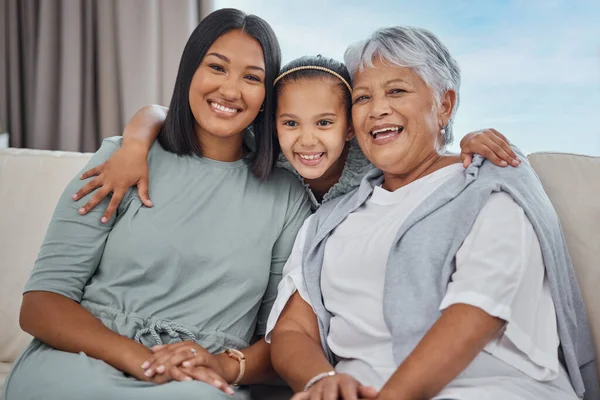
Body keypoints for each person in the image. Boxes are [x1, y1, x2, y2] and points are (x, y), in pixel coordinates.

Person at [267, 26, 599, 400]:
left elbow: (478, 308)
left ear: (444, 105)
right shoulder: (325, 223)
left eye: (397, 91)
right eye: (363, 97)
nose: (378, 109)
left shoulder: (489, 180)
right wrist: (320, 383)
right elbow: (293, 330)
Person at [2, 8, 312, 400]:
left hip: (196, 379)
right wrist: (140, 360)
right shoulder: (124, 160)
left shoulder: (286, 196)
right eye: (217, 67)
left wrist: (224, 365)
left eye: (252, 77)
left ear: (268, 95)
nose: (231, 90)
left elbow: (283, 338)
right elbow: (41, 304)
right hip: (82, 359)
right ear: (188, 72)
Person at [71, 56, 517, 218]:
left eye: (324, 123)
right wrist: (132, 146)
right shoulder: (265, 152)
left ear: (349, 127)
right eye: (291, 124)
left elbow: (417, 146)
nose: (306, 141)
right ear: (272, 125)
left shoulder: (373, 156)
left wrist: (466, 138)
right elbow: (160, 113)